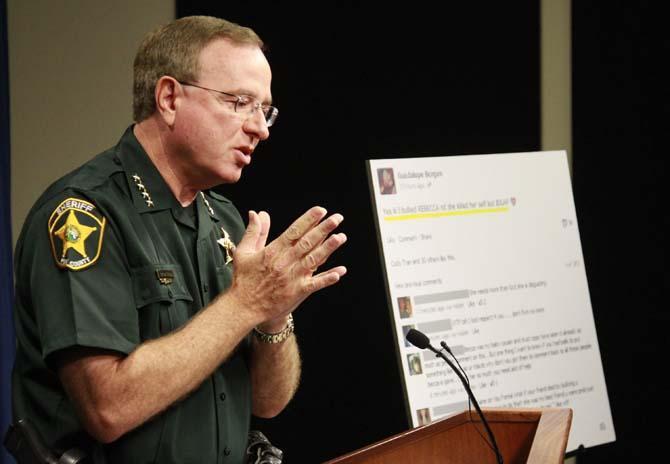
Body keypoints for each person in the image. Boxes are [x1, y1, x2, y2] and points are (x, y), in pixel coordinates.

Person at [10, 15, 347, 464]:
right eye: (240, 102)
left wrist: (273, 317)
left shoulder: (224, 220)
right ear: (169, 98)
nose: (260, 128)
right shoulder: (85, 215)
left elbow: (268, 403)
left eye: (265, 110)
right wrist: (245, 303)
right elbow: (108, 407)